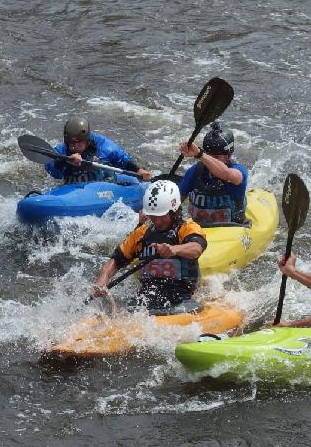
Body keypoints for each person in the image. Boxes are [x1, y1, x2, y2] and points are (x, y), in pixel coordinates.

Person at [92, 180, 207, 314]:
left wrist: (174, 249)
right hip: (146, 298)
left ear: (173, 210)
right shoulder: (142, 233)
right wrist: (102, 280)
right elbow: (116, 260)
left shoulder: (188, 228)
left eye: (162, 216)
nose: (157, 221)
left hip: (181, 300)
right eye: (153, 216)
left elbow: (196, 248)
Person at [177, 122, 249, 225]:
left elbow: (227, 174)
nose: (211, 161)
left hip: (232, 229)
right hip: (198, 231)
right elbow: (176, 202)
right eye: (209, 156)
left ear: (229, 155)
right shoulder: (194, 171)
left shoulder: (239, 172)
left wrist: (200, 154)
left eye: (217, 157)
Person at [44, 117, 151, 183]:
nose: (75, 146)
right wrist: (65, 160)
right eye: (71, 143)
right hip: (74, 187)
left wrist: (138, 170)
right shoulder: (61, 149)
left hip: (105, 182)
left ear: (87, 140)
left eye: (79, 142)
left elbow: (121, 158)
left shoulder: (102, 145)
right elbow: (52, 170)